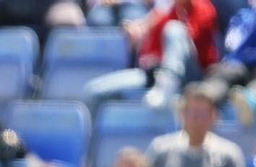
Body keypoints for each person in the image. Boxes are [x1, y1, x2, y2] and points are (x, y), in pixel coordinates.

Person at [83, 0, 220, 112]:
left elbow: (189, 42)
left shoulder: (204, 8)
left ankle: (167, 85)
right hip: (155, 75)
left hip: (192, 77)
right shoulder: (169, 11)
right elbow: (148, 56)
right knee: (93, 91)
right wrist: (144, 28)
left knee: (174, 30)